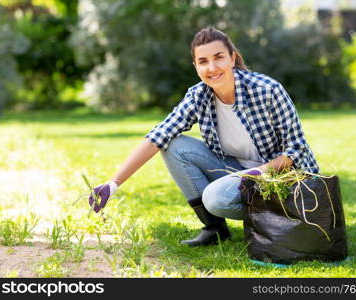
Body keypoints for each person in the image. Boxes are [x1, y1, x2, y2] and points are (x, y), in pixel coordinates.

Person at [88, 26, 319, 247]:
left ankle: (274, 219)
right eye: (203, 61)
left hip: (283, 179)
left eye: (218, 57)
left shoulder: (267, 90)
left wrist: (256, 174)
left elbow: (295, 150)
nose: (212, 67)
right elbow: (158, 136)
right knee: (174, 145)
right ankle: (215, 228)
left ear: (232, 58)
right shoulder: (198, 95)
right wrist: (113, 184)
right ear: (196, 66)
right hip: (238, 170)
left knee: (216, 198)